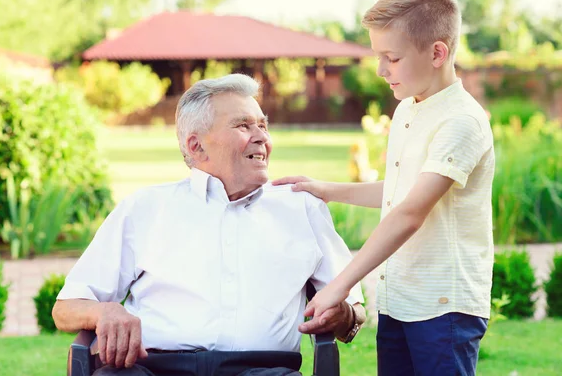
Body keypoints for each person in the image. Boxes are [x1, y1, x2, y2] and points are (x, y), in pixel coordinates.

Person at [52, 74, 366, 376]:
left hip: (265, 370)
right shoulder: (145, 208)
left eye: (262, 125)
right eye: (243, 125)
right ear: (196, 146)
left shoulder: (302, 207)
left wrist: (344, 316)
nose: (262, 137)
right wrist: (104, 312)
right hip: (151, 369)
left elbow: (353, 313)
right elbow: (66, 307)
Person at [274, 0, 495, 375]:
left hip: (444, 307)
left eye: (390, 58)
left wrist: (340, 285)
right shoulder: (409, 110)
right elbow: (397, 192)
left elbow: (410, 212)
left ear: (437, 53)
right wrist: (327, 190)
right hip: (400, 301)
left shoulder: (461, 121)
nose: (380, 70)